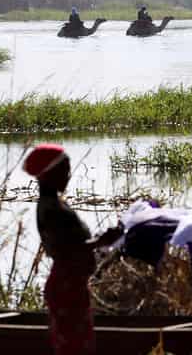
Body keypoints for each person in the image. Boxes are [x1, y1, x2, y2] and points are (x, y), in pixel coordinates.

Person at [23, 144, 123, 355]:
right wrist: (100, 242)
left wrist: (101, 241)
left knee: (75, 344)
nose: (68, 175)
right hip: (66, 285)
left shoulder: (55, 205)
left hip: (70, 284)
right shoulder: (52, 209)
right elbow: (65, 251)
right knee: (74, 347)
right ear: (48, 173)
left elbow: (72, 246)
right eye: (64, 170)